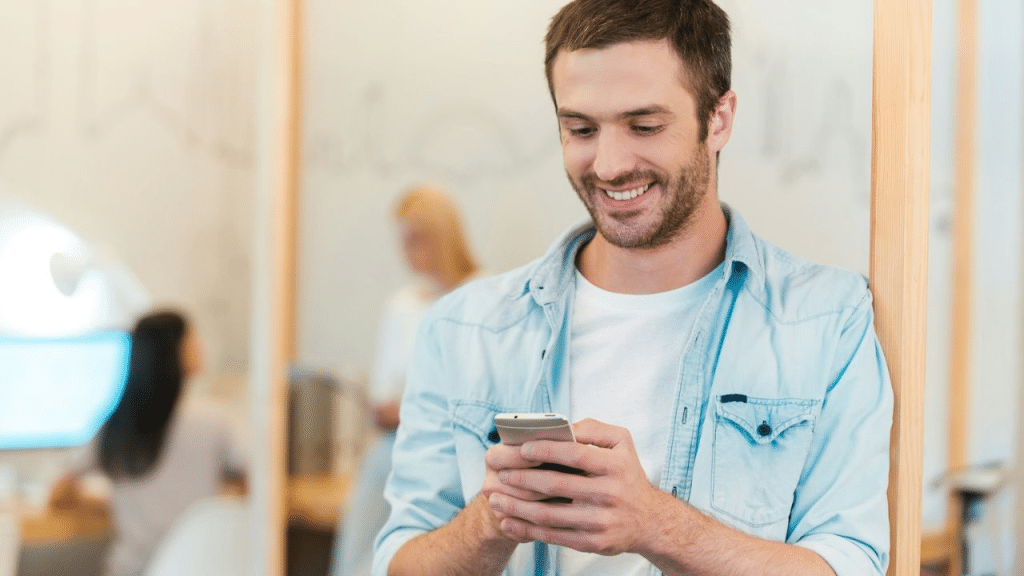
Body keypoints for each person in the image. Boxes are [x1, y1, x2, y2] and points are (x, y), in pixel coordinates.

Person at [374, 1, 893, 576]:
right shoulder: (464, 327)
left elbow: (848, 564)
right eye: (581, 129)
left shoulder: (827, 321)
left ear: (718, 119)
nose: (611, 164)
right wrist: (492, 520)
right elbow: (400, 560)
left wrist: (656, 524)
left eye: (644, 126)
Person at [330, 185, 480, 576]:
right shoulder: (401, 306)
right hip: (391, 449)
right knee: (354, 560)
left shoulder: (485, 298)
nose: (405, 252)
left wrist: (414, 409)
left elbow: (485, 399)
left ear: (440, 236)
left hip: (452, 454)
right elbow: (384, 390)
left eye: (414, 240)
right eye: (401, 242)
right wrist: (384, 409)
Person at [50, 310, 245, 576]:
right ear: (180, 351)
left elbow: (60, 492)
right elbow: (259, 481)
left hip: (131, 569)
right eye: (193, 339)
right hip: (193, 568)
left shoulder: (115, 424)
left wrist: (117, 502)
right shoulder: (215, 421)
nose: (201, 346)